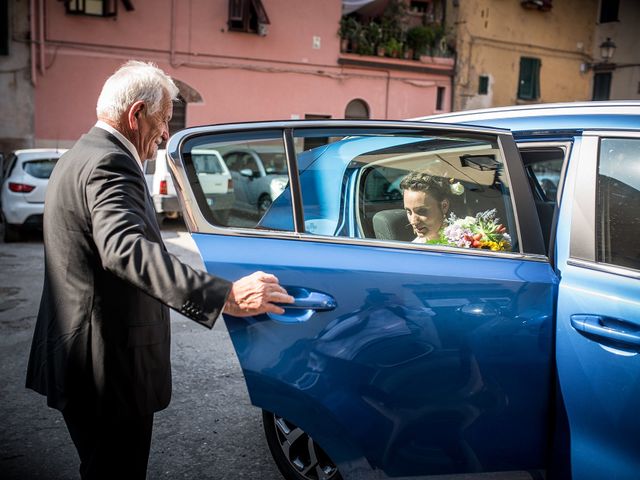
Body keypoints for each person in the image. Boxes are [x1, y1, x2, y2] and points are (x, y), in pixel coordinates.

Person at [25, 60, 294, 479]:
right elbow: (125, 248)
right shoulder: (109, 164)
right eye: (165, 119)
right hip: (106, 370)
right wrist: (224, 296)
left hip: (79, 359)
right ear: (136, 115)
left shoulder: (78, 155)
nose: (167, 133)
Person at [400, 171, 450, 243]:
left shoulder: (466, 240)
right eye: (409, 211)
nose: (413, 221)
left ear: (444, 206)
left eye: (421, 211)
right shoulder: (413, 251)